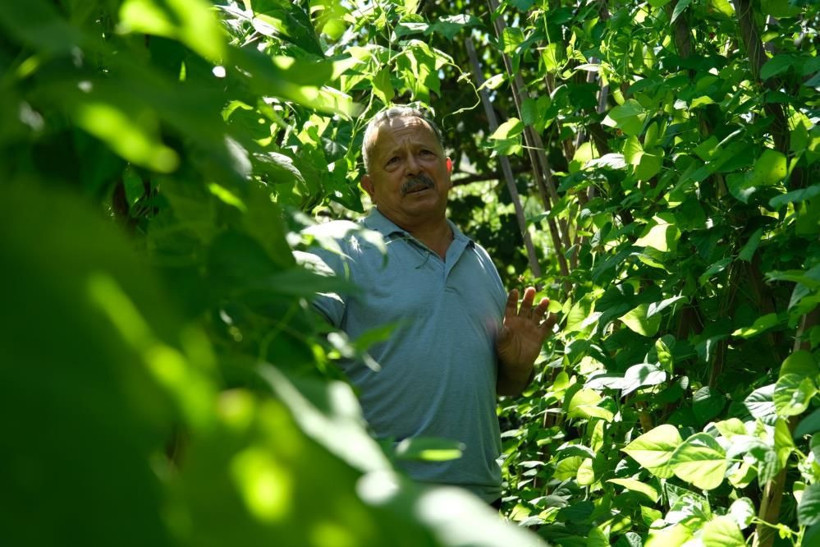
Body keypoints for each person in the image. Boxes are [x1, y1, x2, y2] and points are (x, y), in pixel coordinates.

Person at [308, 105, 555, 506]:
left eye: (424, 154)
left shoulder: (478, 261)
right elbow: (286, 346)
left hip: (480, 506)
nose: (413, 168)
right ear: (370, 188)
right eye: (394, 160)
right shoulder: (344, 250)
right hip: (387, 506)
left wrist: (518, 365)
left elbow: (502, 388)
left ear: (447, 167)